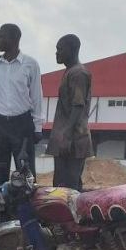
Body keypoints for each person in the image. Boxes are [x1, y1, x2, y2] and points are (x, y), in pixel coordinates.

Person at [0, 24, 43, 183]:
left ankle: (25, 208)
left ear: (14, 39)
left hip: (21, 125)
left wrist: (37, 127)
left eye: (1, 36)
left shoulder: (30, 64)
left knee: (25, 174)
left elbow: (36, 97)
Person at [46, 34, 92, 190]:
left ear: (72, 50)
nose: (57, 53)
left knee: (69, 187)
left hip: (73, 140)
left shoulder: (78, 73)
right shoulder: (69, 72)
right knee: (60, 185)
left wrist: (66, 136)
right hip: (65, 139)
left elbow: (78, 105)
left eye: (60, 49)